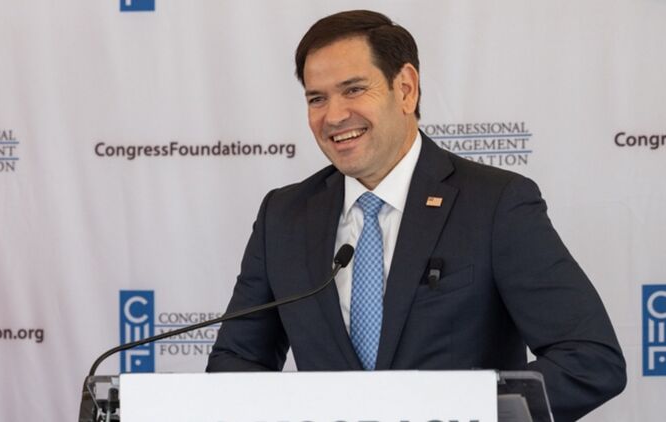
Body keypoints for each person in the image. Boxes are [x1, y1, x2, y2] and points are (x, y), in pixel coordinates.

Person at [207, 9, 626, 421]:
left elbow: (589, 359)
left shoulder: (496, 204)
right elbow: (235, 362)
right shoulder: (284, 216)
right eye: (317, 98)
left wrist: (463, 411)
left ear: (406, 89)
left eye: (354, 90)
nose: (333, 116)